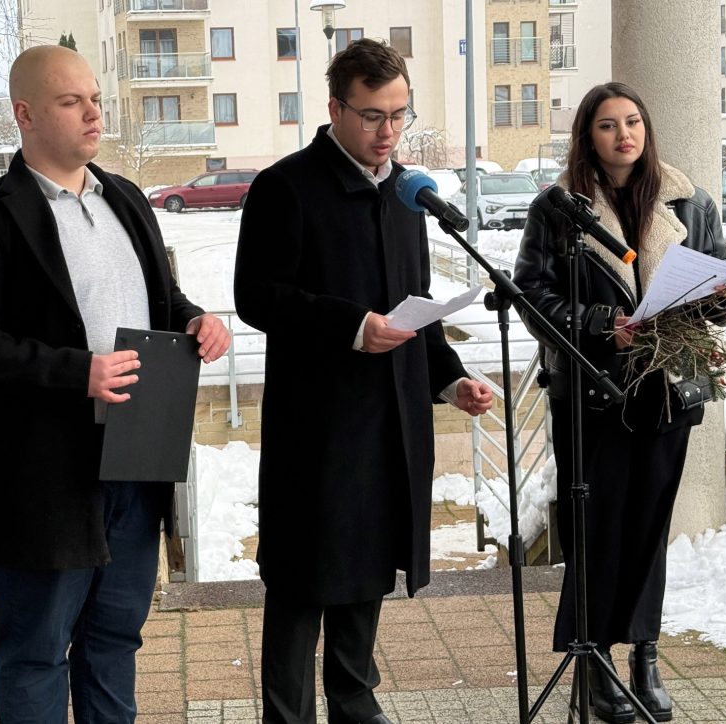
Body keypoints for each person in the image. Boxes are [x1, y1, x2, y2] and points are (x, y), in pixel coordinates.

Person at [0, 45, 230, 724]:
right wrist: (77, 372)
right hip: (44, 478)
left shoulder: (126, 197)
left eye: (94, 98)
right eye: (72, 102)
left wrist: (194, 320)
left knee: (114, 642)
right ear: (26, 115)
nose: (94, 113)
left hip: (135, 462)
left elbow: (161, 298)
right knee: (35, 654)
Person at [234, 39, 493, 724]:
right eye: (373, 116)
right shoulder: (286, 187)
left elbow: (417, 305)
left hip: (392, 419)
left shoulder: (408, 194)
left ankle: (354, 700)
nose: (388, 132)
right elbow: (256, 296)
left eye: (400, 115)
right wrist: (352, 326)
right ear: (335, 109)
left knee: (370, 560)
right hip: (317, 423)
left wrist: (451, 381)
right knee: (303, 577)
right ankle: (287, 715)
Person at [513, 82, 726, 724]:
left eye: (634, 121)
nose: (625, 135)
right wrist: (597, 323)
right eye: (609, 125)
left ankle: (645, 655)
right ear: (587, 137)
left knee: (648, 530)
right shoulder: (558, 209)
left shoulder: (690, 201)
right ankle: (593, 661)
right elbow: (531, 296)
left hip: (666, 389)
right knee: (595, 530)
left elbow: (724, 294)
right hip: (592, 393)